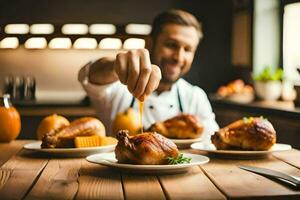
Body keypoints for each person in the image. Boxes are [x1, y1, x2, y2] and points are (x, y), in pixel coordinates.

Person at [78, 9, 219, 140]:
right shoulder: (118, 87)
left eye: (188, 49)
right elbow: (90, 75)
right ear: (149, 44)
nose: (179, 57)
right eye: (171, 45)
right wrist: (115, 66)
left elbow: (211, 141)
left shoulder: (195, 97)